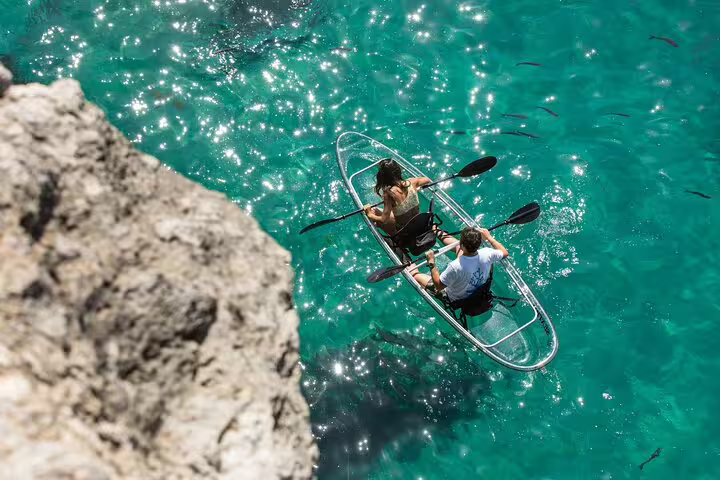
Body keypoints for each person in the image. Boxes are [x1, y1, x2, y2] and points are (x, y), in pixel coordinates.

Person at [411, 227, 508, 302]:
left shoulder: (455, 266)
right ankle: (436, 231)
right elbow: (504, 252)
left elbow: (438, 286)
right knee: (455, 245)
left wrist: (432, 263)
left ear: (463, 245)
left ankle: (409, 265)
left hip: (455, 298)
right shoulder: (488, 253)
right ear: (478, 244)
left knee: (414, 274)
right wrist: (489, 237)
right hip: (477, 292)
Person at [363, 158, 431, 235]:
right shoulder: (412, 182)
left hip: (405, 234)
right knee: (397, 211)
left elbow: (384, 220)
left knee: (374, 211)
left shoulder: (389, 194)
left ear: (383, 177)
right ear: (398, 171)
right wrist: (416, 188)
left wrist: (369, 214)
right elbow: (427, 180)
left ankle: (395, 244)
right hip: (419, 226)